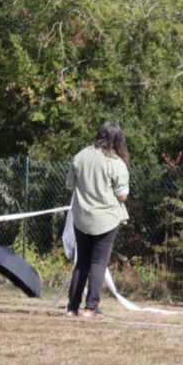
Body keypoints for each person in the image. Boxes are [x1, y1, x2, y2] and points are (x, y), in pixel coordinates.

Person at [64, 121, 130, 318]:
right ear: (117, 140)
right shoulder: (115, 162)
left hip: (81, 216)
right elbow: (122, 195)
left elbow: (70, 185)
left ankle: (72, 307)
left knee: (82, 261)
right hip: (107, 219)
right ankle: (91, 307)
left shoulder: (80, 156)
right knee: (98, 262)